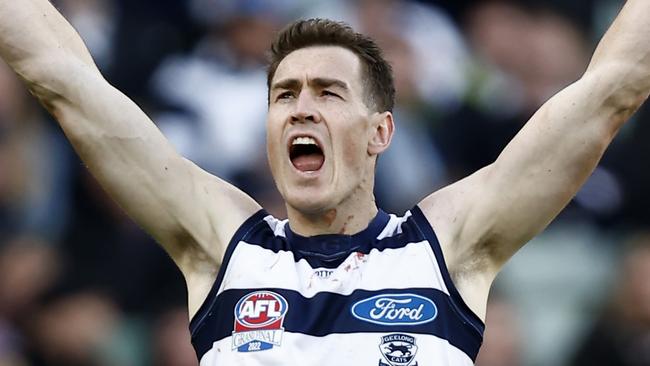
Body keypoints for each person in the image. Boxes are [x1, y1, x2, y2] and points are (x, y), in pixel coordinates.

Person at [0, 1, 648, 365]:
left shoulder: (448, 247)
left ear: (380, 133)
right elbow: (60, 75)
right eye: (284, 95)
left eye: (328, 93)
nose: (301, 108)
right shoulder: (222, 245)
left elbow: (613, 88)